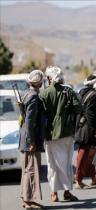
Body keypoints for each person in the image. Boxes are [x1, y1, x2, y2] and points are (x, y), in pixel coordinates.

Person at [39, 66, 82, 202]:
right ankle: (67, 192)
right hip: (66, 133)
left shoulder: (44, 93)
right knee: (66, 164)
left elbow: (40, 114)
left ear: (49, 78)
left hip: (50, 134)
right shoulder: (68, 91)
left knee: (52, 164)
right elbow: (78, 108)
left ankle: (54, 193)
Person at [19, 70, 45, 209]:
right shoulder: (34, 96)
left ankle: (26, 198)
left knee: (26, 169)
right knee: (31, 170)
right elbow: (30, 121)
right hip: (30, 139)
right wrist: (32, 141)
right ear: (39, 83)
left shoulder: (26, 94)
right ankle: (29, 200)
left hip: (25, 138)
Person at [75, 74, 96, 189]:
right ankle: (78, 180)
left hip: (81, 126)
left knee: (91, 152)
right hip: (88, 128)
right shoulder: (94, 95)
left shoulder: (82, 92)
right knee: (84, 153)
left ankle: (93, 178)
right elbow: (91, 115)